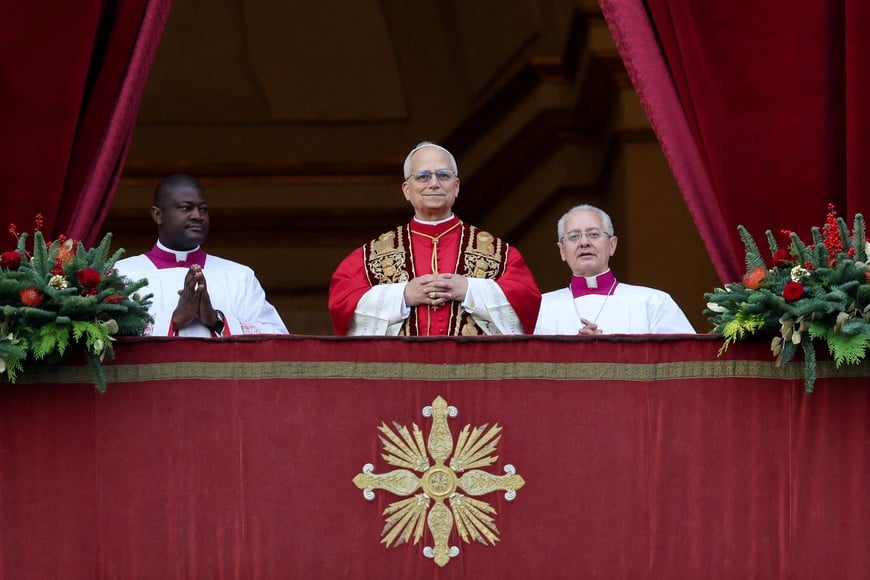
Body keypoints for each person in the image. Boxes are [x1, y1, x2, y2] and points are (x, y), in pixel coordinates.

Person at [328, 141, 541, 336]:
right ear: (406, 190)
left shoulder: (500, 254)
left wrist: (470, 290)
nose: (434, 184)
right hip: (401, 374)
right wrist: (402, 296)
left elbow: (527, 299)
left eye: (443, 175)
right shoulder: (368, 257)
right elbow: (342, 303)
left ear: (456, 187)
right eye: (422, 176)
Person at [114, 173, 289, 337]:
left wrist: (216, 320)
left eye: (203, 209)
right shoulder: (121, 275)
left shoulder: (240, 277)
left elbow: (277, 338)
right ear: (158, 215)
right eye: (186, 208)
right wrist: (173, 321)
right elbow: (104, 336)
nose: (198, 216)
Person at [534, 204, 695, 335]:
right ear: (562, 251)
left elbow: (683, 361)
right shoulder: (539, 309)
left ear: (612, 245)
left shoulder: (653, 302)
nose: (584, 242)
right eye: (574, 236)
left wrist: (609, 352)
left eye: (594, 234)